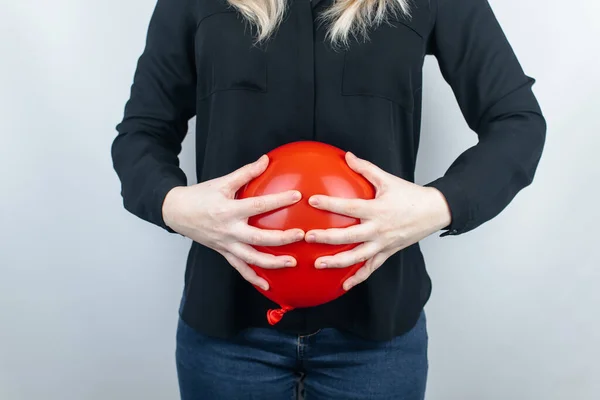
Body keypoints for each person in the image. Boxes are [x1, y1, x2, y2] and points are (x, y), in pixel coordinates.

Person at [111, 0, 546, 398]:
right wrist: (173, 205)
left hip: (379, 333)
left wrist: (439, 205)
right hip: (228, 326)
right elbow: (141, 134)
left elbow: (517, 122)